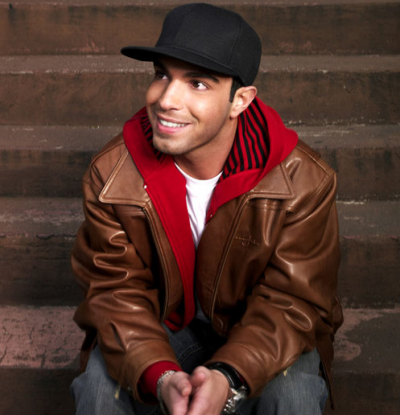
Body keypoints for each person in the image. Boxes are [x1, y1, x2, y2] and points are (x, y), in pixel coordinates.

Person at [70, 3, 343, 415]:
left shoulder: (303, 181)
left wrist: (229, 375)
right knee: (98, 383)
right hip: (161, 327)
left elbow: (293, 301)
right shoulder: (112, 175)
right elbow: (113, 292)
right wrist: (160, 375)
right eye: (162, 74)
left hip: (264, 333)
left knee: (293, 395)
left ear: (240, 101)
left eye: (197, 83)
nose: (166, 99)